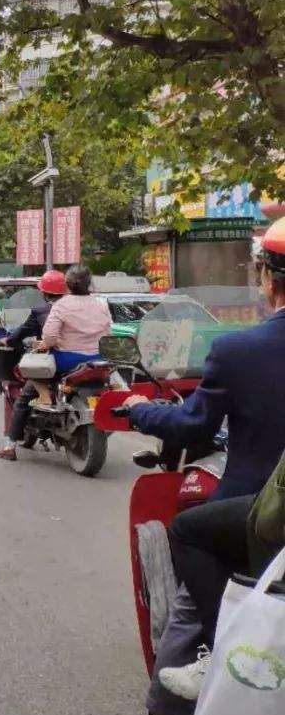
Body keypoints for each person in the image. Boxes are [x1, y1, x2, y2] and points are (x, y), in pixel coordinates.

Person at [122, 216, 285, 703]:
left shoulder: (239, 350)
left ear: (267, 278)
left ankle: (218, 650)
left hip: (260, 524)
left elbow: (194, 425)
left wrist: (139, 411)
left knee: (190, 545)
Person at [0, 269, 66, 460]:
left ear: (43, 292)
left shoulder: (42, 311)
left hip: (55, 363)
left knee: (23, 399)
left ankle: (9, 448)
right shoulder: (78, 308)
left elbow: (22, 332)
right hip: (86, 361)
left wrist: (7, 340)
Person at [30, 265, 112, 406]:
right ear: (89, 283)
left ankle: (44, 397)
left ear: (67, 285)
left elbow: (49, 337)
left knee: (31, 366)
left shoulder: (61, 305)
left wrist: (46, 344)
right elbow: (108, 332)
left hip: (68, 360)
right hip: (99, 359)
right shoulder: (102, 304)